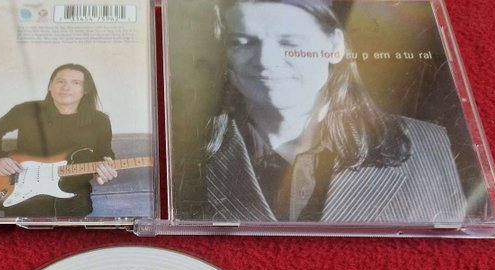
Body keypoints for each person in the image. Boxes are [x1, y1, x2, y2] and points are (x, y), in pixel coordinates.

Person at [188, 0, 466, 224]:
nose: (265, 60)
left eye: (290, 43)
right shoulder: (185, 153)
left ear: (334, 47)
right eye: (242, 42)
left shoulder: (428, 146)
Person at [0, 64, 117, 217]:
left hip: (74, 198)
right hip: (24, 196)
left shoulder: (99, 120)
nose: (66, 87)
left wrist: (103, 170)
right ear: (50, 86)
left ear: (85, 90)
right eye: (60, 81)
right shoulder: (26, 111)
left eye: (75, 82)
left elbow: (103, 153)